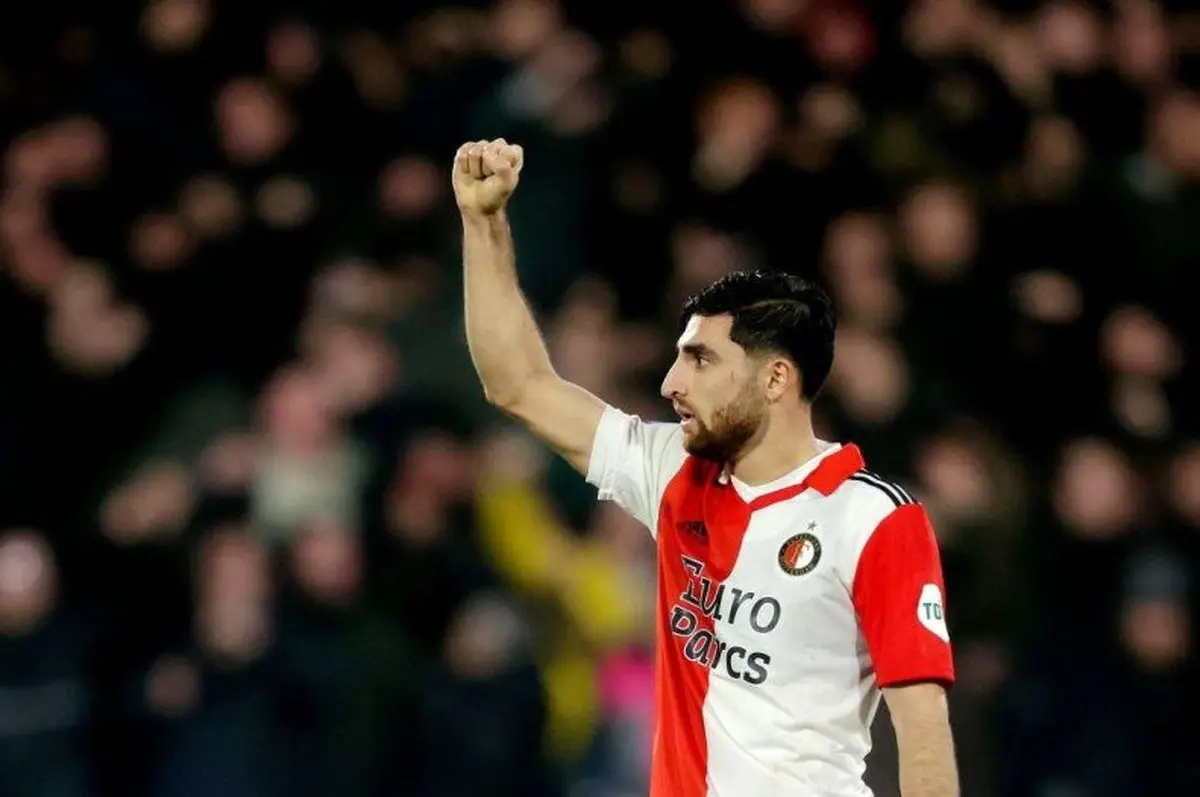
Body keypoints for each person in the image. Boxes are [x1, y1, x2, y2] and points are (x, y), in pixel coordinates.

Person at [452, 138, 959, 797]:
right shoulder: (673, 470)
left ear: (775, 379)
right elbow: (518, 383)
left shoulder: (871, 518)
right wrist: (483, 223)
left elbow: (922, 725)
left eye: (701, 360)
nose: (672, 382)